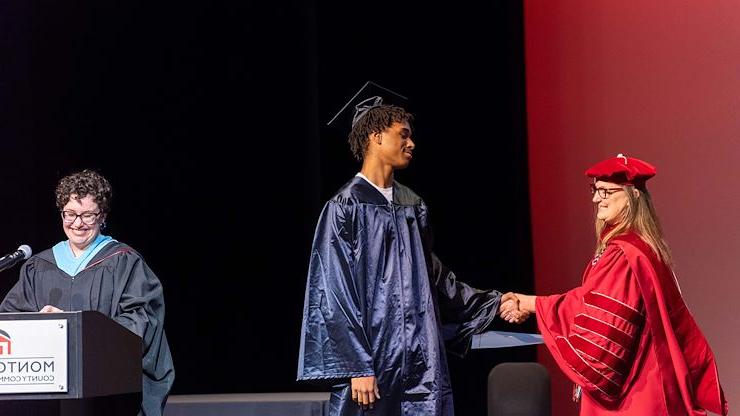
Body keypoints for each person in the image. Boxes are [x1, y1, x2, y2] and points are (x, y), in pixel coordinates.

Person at [296, 82, 522, 416]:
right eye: (403, 134)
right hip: (374, 362)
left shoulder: (412, 205)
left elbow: (435, 277)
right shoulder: (345, 207)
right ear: (376, 137)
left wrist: (493, 302)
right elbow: (333, 291)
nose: (411, 143)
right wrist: (358, 365)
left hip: (421, 360)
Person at [501, 154, 727, 415]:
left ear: (632, 197)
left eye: (606, 191)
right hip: (648, 386)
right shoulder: (643, 249)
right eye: (595, 190)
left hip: (635, 396)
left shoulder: (625, 254)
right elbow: (591, 299)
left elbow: (598, 319)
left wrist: (530, 303)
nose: (597, 199)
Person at [0, 169, 175, 416]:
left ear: (102, 216)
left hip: (108, 396)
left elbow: (142, 322)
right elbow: (10, 320)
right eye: (70, 214)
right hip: (46, 395)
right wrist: (39, 325)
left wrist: (77, 328)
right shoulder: (38, 267)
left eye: (87, 215)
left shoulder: (124, 263)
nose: (77, 223)